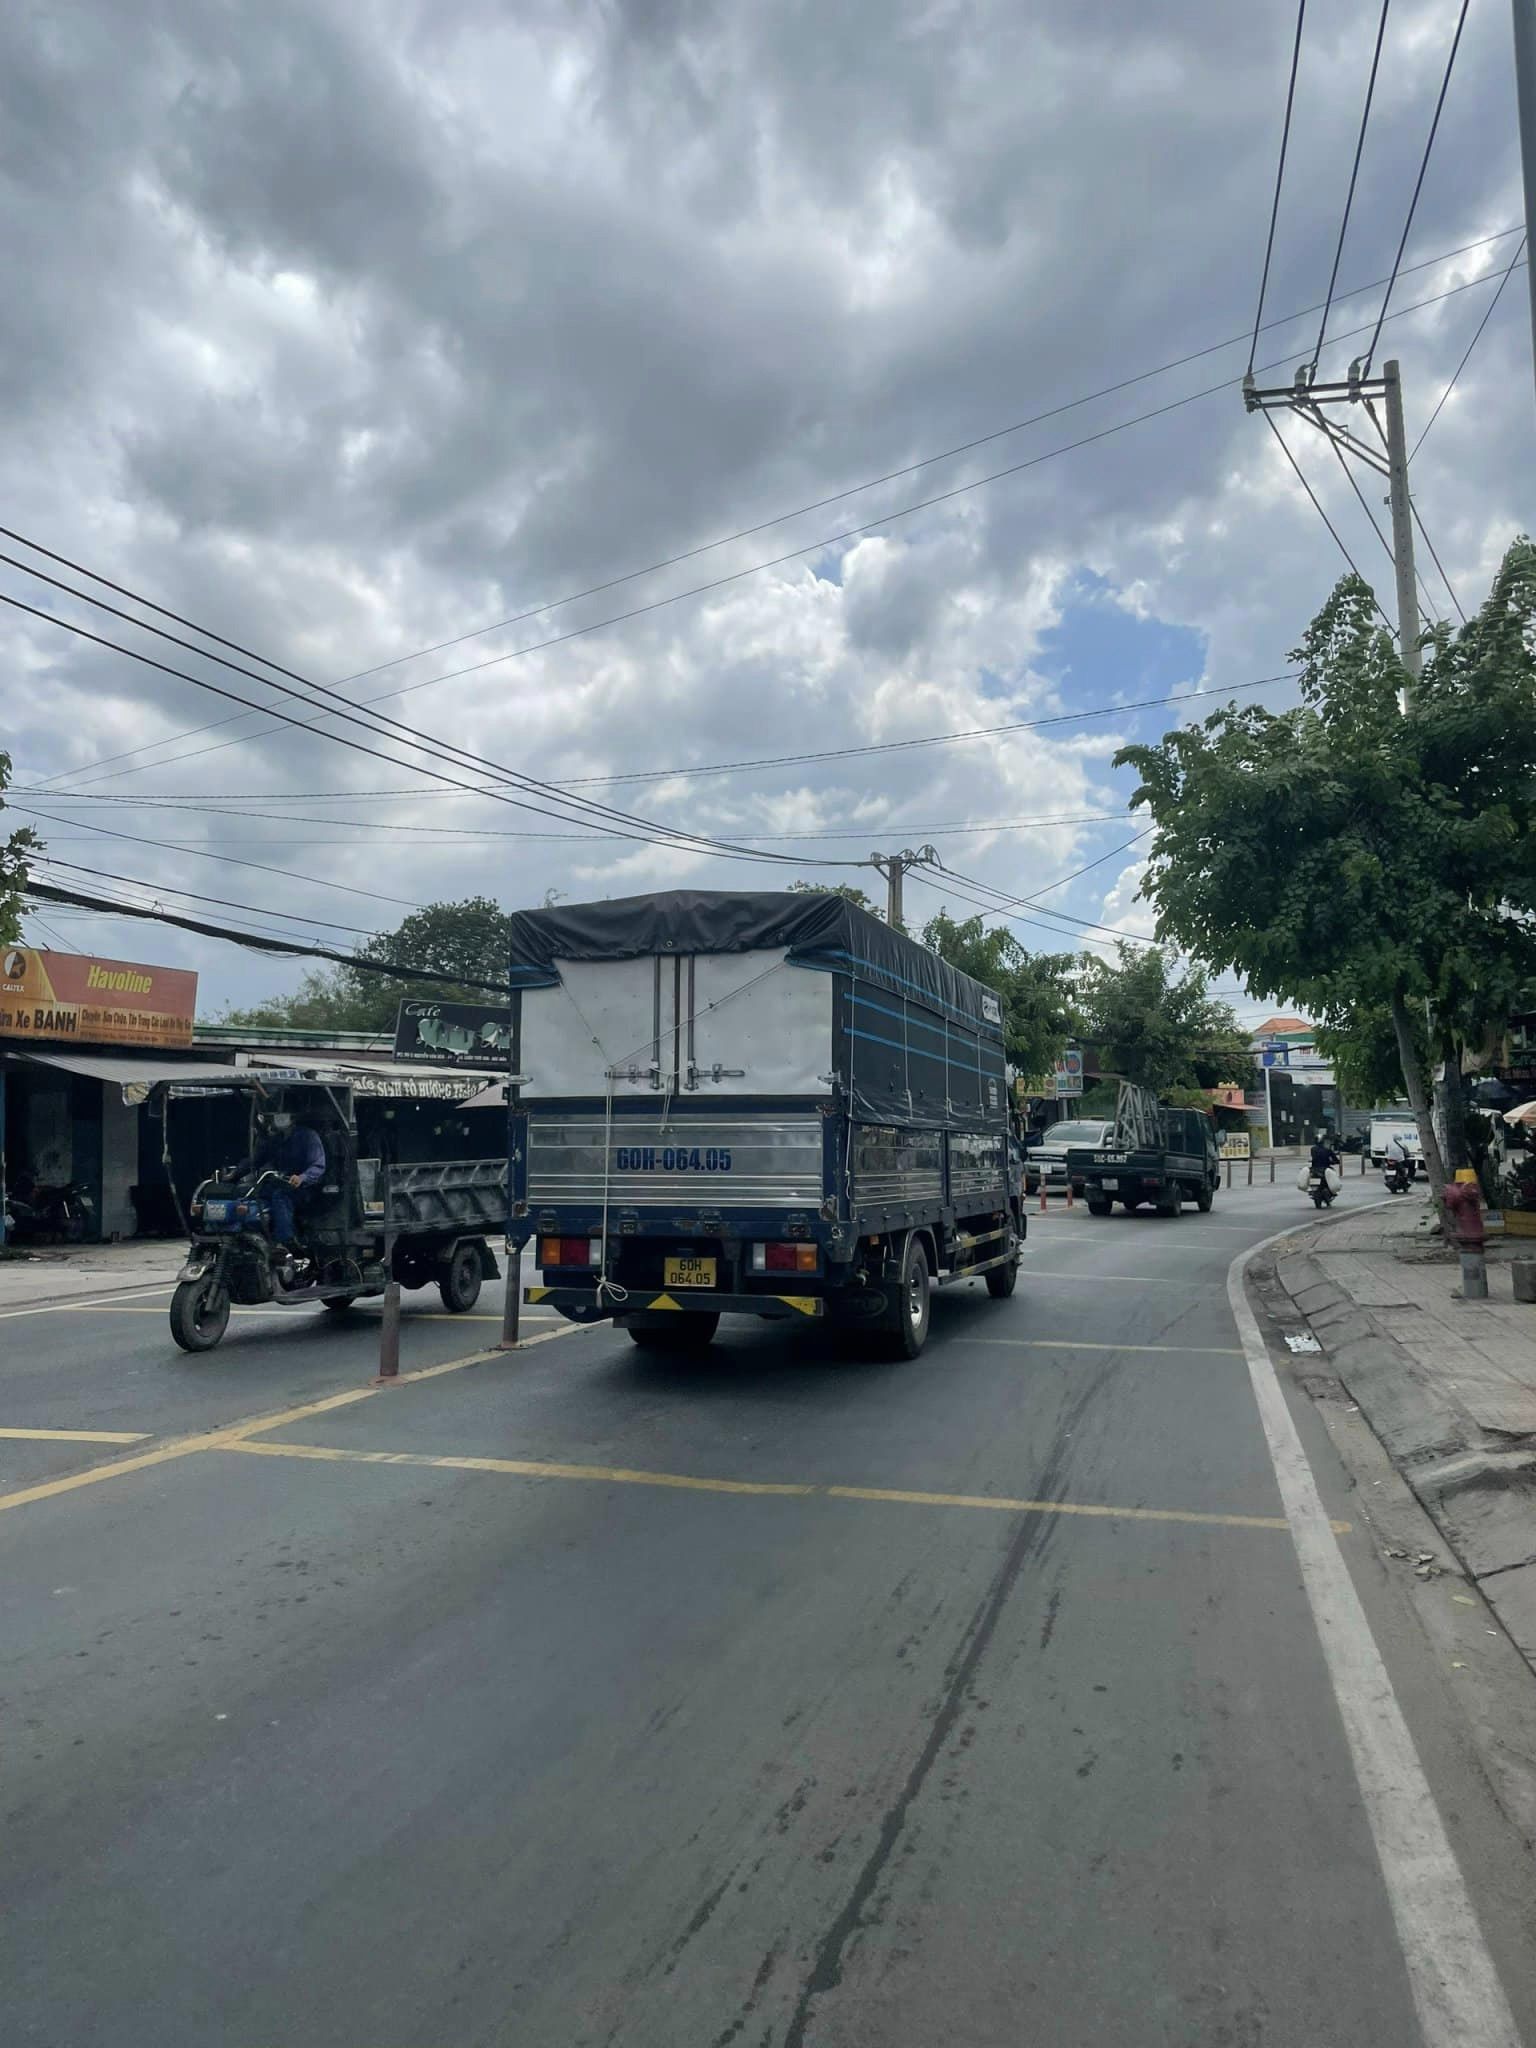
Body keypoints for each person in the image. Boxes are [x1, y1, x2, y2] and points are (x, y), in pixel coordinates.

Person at [234, 1110, 326, 1249]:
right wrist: (234, 1173)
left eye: (283, 1113)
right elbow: (256, 1160)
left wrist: (302, 1178)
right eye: (276, 1114)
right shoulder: (275, 1139)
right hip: (280, 1183)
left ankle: (285, 1242)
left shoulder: (308, 1136)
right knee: (246, 1193)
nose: (279, 1117)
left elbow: (318, 1165)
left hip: (305, 1188)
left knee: (280, 1196)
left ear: (293, 1117)